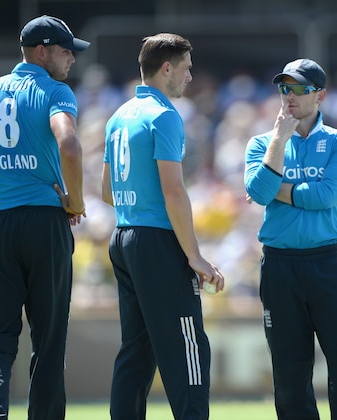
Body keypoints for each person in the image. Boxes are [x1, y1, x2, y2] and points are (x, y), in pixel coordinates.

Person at [0, 15, 89, 420]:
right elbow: (69, 146)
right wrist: (75, 201)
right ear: (42, 51)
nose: (72, 58)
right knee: (49, 340)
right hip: (43, 222)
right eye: (65, 50)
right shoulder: (55, 91)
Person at [101, 33, 225, 420]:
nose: (190, 77)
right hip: (156, 241)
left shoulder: (119, 115)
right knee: (187, 343)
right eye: (186, 69)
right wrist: (195, 256)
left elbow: (107, 191)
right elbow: (174, 192)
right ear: (167, 68)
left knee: (136, 350)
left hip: (123, 236)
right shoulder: (165, 115)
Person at [244, 58, 337, 420]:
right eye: (284, 88)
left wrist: (277, 189)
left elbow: (325, 195)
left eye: (299, 88)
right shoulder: (262, 143)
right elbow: (256, 189)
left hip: (325, 263)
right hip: (279, 265)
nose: (289, 96)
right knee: (289, 371)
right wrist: (279, 141)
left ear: (320, 96)